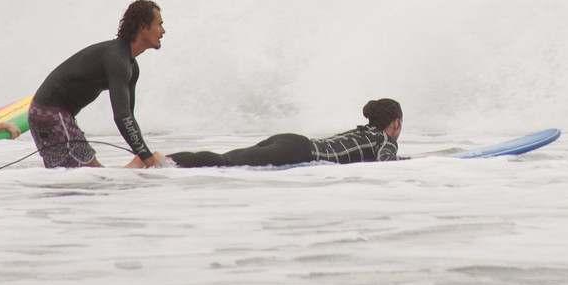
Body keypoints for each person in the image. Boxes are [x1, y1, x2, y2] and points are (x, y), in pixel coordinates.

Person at [28, 0, 167, 168]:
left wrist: (143, 153)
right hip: (49, 113)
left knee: (87, 173)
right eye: (159, 24)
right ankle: (138, 164)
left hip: (56, 115)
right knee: (86, 174)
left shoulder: (130, 66)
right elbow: (121, 116)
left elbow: (128, 117)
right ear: (143, 26)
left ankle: (137, 164)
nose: (163, 31)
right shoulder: (116, 58)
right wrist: (147, 158)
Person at [152, 99, 403, 168]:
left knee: (227, 158)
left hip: (291, 141)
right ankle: (161, 161)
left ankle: (162, 160)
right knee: (226, 162)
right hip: (298, 151)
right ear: (395, 123)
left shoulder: (361, 132)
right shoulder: (385, 140)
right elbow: (387, 165)